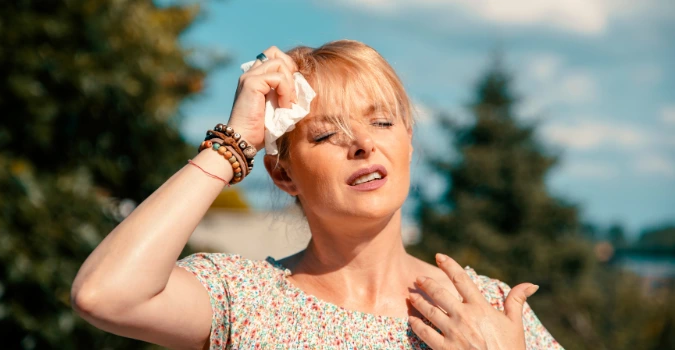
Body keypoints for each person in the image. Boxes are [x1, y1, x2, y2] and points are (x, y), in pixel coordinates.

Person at [71, 40, 563, 349]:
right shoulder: (245, 300)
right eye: (327, 135)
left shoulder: (487, 310)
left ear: (409, 141)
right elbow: (104, 294)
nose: (364, 143)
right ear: (283, 176)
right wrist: (232, 144)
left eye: (383, 121)